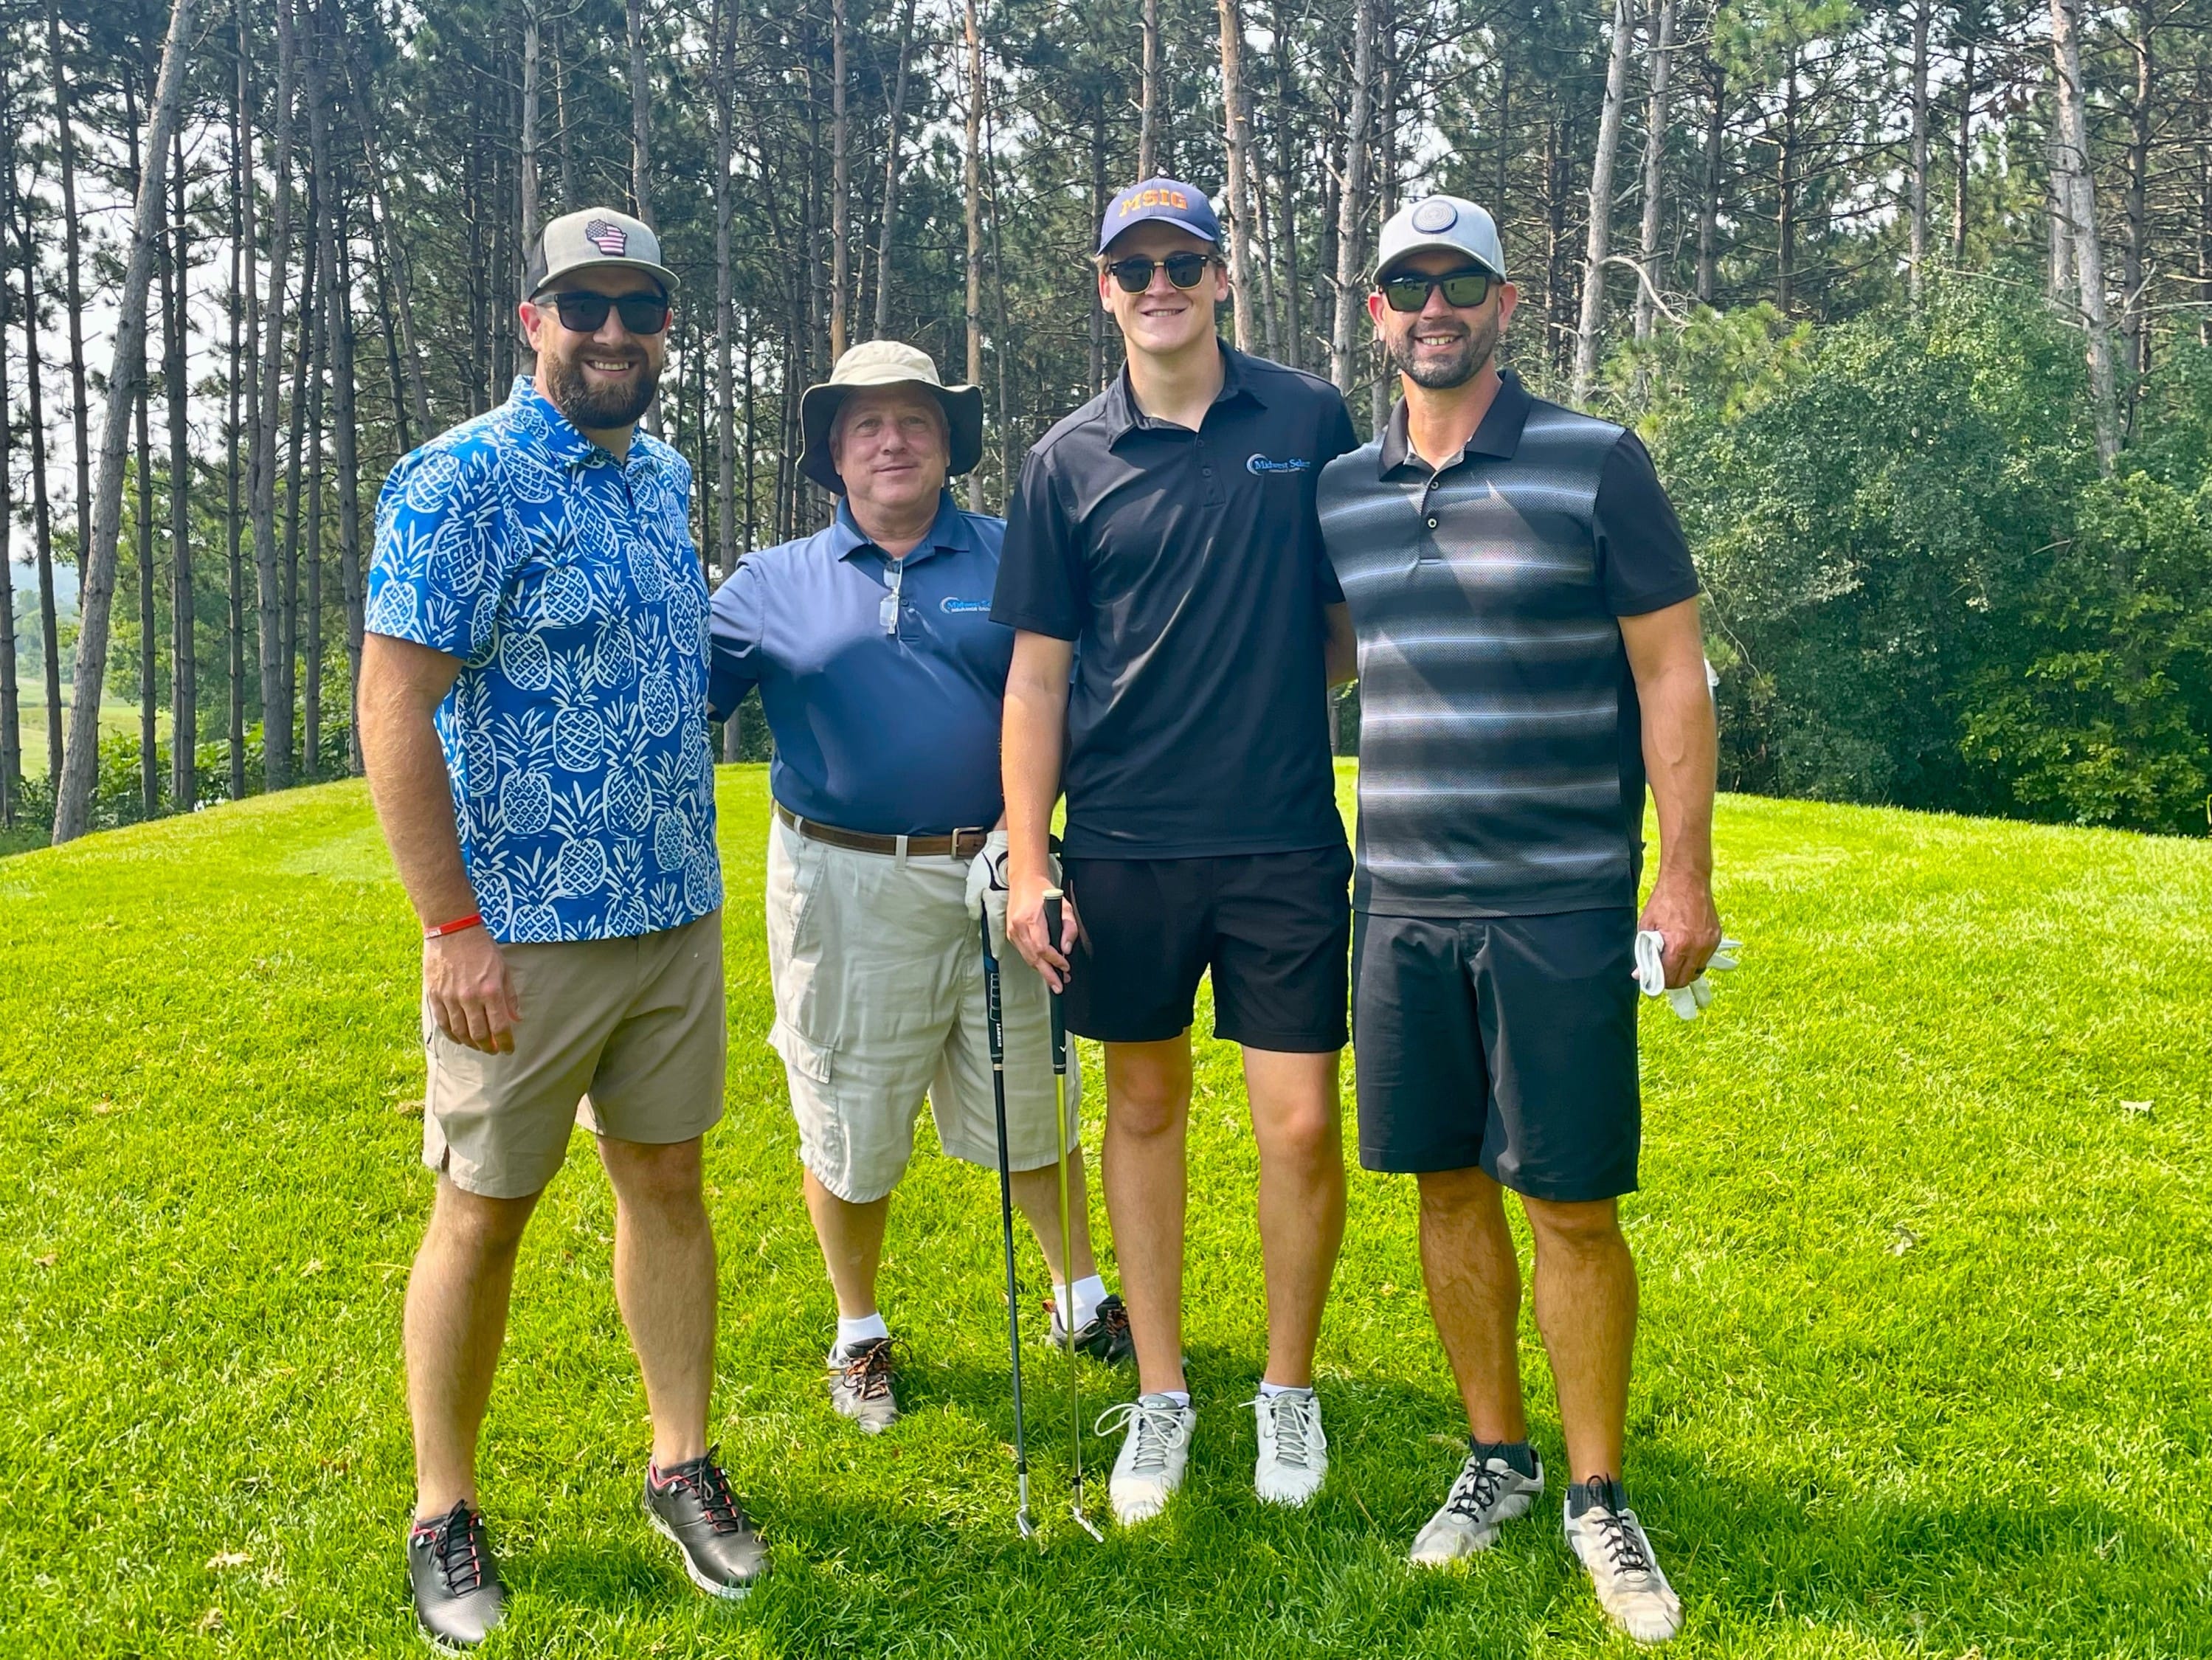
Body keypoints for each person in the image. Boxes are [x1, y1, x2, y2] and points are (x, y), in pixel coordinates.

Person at [1316, 194, 1721, 1645]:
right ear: (1374, 311)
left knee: (1568, 1200)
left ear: (1503, 300)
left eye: (1458, 283)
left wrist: (1681, 875)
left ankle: (1598, 1491)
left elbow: (1670, 674)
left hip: (1558, 895)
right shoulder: (1342, 488)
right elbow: (1311, 661)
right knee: (1440, 1186)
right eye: (1406, 285)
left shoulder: (1596, 463)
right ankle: (1494, 1457)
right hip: (1402, 900)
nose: (1433, 307)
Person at [360, 208, 764, 1650]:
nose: (610, 333)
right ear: (531, 320)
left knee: (667, 1186)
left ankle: (678, 1463)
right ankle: (443, 1509)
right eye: (581, 307)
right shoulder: (454, 483)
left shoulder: (662, 474)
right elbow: (391, 706)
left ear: (665, 326)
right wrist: (449, 924)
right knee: (483, 1215)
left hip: (673, 918)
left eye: (636, 307)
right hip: (515, 941)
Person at [993, 178, 1361, 1526]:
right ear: (1105, 289)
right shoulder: (1063, 460)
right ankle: (1159, 1393)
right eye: (1133, 264)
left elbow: (1340, 626)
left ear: (1220, 276)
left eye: (1181, 259)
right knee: (1141, 1110)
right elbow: (1035, 680)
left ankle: (1286, 1385)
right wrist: (1031, 861)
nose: (1159, 282)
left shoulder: (1308, 420)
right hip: (1124, 846)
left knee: (1301, 1123)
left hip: (1278, 842)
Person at [708, 340, 1130, 1436]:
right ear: (832, 453)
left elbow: (1072, 705)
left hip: (1006, 872)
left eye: (915, 421)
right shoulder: (766, 584)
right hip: (841, 883)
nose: (891, 441)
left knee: (1035, 1108)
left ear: (949, 446)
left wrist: (1038, 847)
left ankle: (1078, 1296)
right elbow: (667, 705)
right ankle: (859, 1330)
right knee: (848, 1118)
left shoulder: (1016, 559)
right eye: (865, 424)